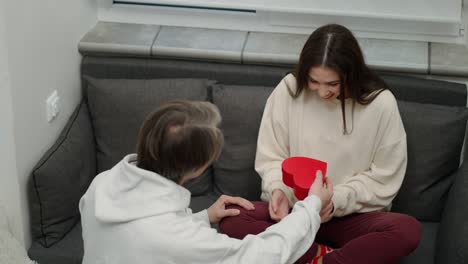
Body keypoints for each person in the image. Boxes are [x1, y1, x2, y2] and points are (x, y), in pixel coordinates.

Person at [219, 24, 422, 264]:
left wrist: (333, 202)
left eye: (333, 84)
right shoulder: (289, 89)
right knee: (233, 218)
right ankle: (320, 256)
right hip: (295, 215)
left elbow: (383, 179)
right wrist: (278, 190)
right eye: (314, 81)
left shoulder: (381, 104)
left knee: (407, 230)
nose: (322, 92)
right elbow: (271, 157)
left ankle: (308, 257)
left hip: (348, 217)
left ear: (352, 75)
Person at [79, 100, 333, 264]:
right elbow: (264, 255)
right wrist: (310, 205)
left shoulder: (101, 186)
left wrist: (202, 217)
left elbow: (139, 241)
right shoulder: (177, 239)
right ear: (198, 169)